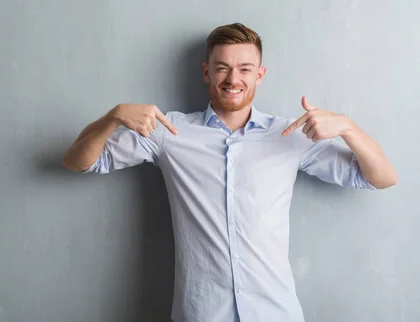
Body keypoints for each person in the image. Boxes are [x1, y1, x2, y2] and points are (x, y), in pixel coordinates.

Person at [61, 23, 397, 322]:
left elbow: (381, 177)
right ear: (206, 72)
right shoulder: (168, 131)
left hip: (276, 313)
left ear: (259, 75)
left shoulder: (292, 135)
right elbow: (79, 161)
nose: (233, 79)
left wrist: (349, 129)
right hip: (201, 313)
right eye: (222, 68)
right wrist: (114, 116)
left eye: (244, 69)